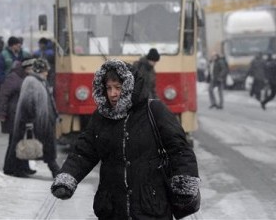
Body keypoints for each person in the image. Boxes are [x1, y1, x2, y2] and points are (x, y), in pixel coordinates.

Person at [51, 59, 200, 219]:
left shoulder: (155, 111)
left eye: (118, 87)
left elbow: (179, 150)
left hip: (150, 206)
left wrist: (184, 184)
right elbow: (84, 152)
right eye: (108, 88)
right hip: (113, 208)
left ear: (130, 87)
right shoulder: (101, 117)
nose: (112, 93)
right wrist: (67, 178)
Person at [9, 58, 60, 178]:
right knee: (44, 146)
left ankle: (17, 168)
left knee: (38, 146)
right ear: (39, 70)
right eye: (45, 70)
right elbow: (28, 103)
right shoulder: (32, 82)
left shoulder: (38, 81)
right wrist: (29, 121)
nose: (47, 73)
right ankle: (55, 170)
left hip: (41, 121)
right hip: (35, 122)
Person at [0, 58, 36, 177]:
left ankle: (23, 167)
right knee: (16, 142)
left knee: (23, 140)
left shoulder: (28, 77)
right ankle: (13, 169)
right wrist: (1, 114)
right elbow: (3, 96)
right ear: (26, 67)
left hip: (24, 114)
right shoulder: (14, 77)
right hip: (14, 115)